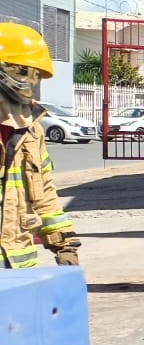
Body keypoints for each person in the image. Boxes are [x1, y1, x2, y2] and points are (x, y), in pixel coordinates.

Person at [0, 21, 81, 269]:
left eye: (36, 75)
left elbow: (44, 191)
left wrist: (64, 245)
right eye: (24, 72)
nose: (31, 83)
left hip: (18, 265)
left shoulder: (31, 128)